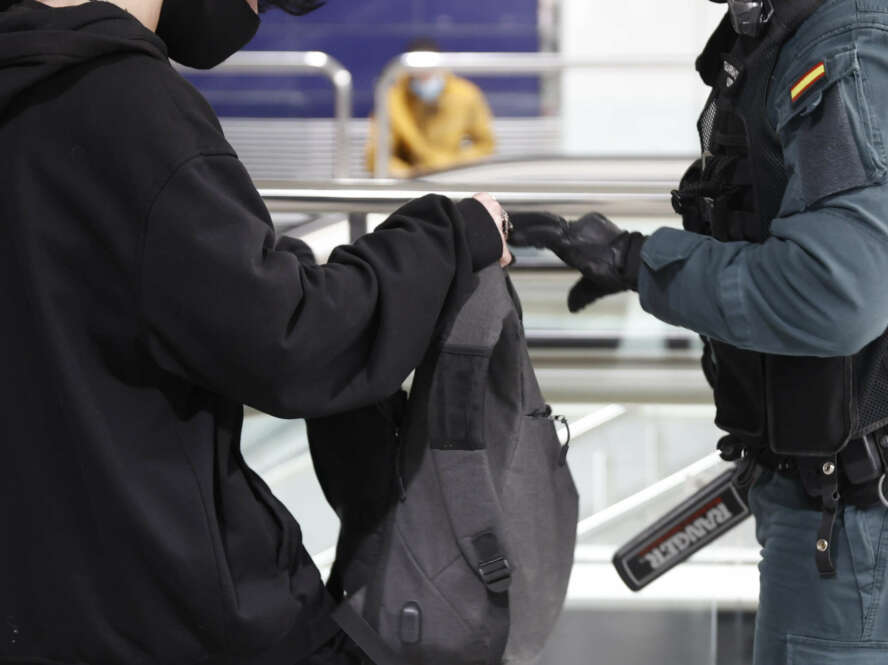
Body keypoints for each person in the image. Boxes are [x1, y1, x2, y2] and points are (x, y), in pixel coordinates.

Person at [0, 0, 511, 663]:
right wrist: (450, 234)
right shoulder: (129, 106)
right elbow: (291, 341)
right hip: (169, 613)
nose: (257, 13)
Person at [511, 0, 888, 662]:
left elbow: (834, 292)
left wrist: (639, 260)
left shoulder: (862, 41)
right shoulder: (813, 26)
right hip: (860, 480)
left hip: (874, 498)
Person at [365, 38, 496, 178]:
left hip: (454, 175)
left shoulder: (465, 95)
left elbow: (485, 146)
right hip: (410, 180)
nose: (424, 75)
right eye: (419, 70)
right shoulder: (393, 99)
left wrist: (452, 165)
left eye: (429, 69)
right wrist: (408, 173)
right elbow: (377, 156)